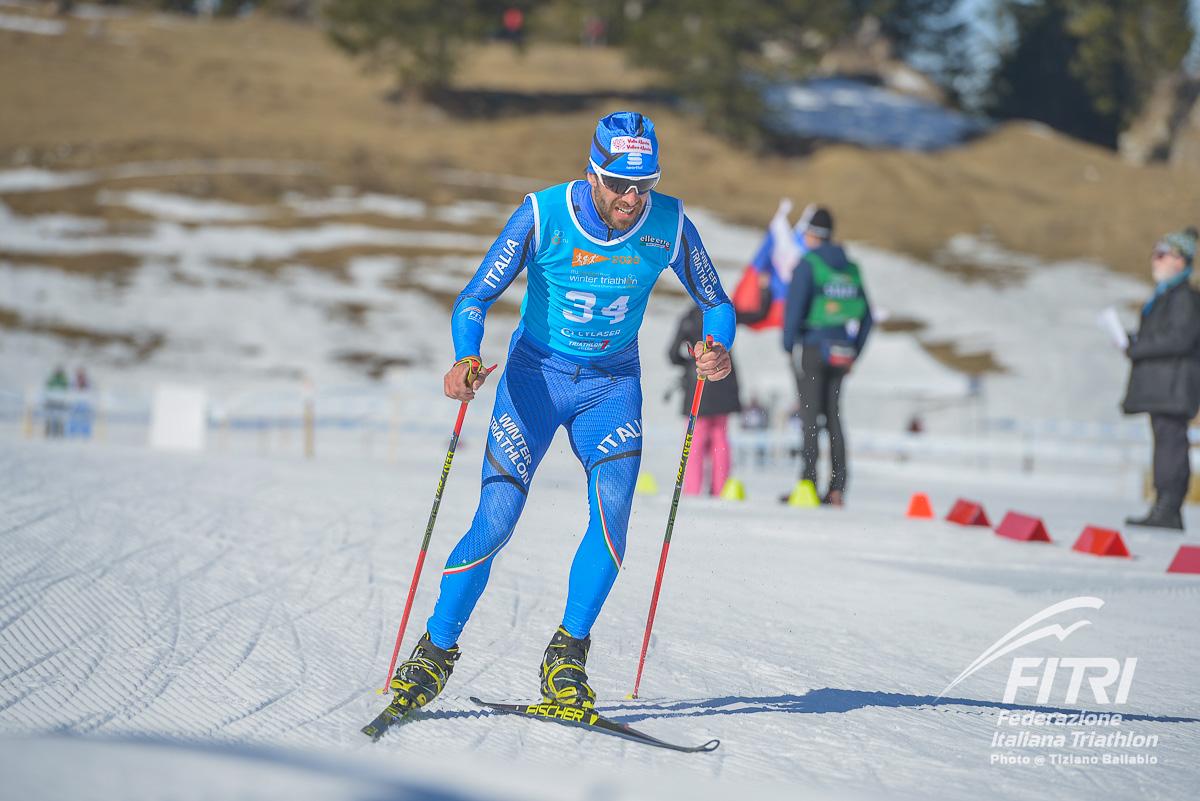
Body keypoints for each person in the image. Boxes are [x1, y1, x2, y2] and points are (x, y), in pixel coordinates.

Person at [386, 112, 735, 714]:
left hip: (612, 385)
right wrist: (465, 358)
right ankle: (434, 651)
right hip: (534, 379)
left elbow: (715, 301)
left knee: (613, 517)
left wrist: (718, 349)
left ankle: (566, 658)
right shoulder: (544, 214)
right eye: (620, 184)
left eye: (643, 185)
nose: (632, 198)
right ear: (593, 173)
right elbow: (475, 297)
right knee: (496, 519)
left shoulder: (669, 222)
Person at [780, 207, 873, 507]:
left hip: (812, 347)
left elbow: (794, 309)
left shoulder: (808, 265)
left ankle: (807, 484)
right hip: (841, 351)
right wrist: (854, 351)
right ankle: (837, 488)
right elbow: (867, 316)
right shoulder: (851, 267)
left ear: (813, 234)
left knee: (809, 416)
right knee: (833, 416)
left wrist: (787, 343)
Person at [1122, 227, 1200, 531]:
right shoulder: (1167, 296)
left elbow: (1180, 339)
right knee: (1164, 443)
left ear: (1180, 260)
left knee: (1171, 444)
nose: (1155, 260)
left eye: (1162, 254)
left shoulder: (1184, 298)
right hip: (1163, 385)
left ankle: (1169, 507)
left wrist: (1139, 347)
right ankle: (1162, 505)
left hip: (1175, 386)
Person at [668, 274, 771, 495]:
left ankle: (693, 491)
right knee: (720, 437)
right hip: (724, 381)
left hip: (698, 384)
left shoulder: (688, 317)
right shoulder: (725, 312)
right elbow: (757, 315)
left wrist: (690, 363)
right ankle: (721, 489)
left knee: (696, 438)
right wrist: (765, 290)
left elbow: (671, 354)